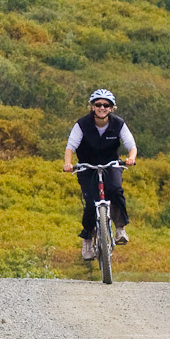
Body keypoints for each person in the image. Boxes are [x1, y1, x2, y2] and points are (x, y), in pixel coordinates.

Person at [62, 88, 137, 262]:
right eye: (98, 104)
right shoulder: (82, 124)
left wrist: (131, 158)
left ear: (111, 108)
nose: (102, 108)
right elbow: (70, 147)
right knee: (90, 201)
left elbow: (131, 144)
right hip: (87, 167)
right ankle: (88, 239)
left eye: (106, 105)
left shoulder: (118, 124)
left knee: (115, 189)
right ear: (92, 106)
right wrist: (68, 163)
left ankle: (120, 229)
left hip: (111, 164)